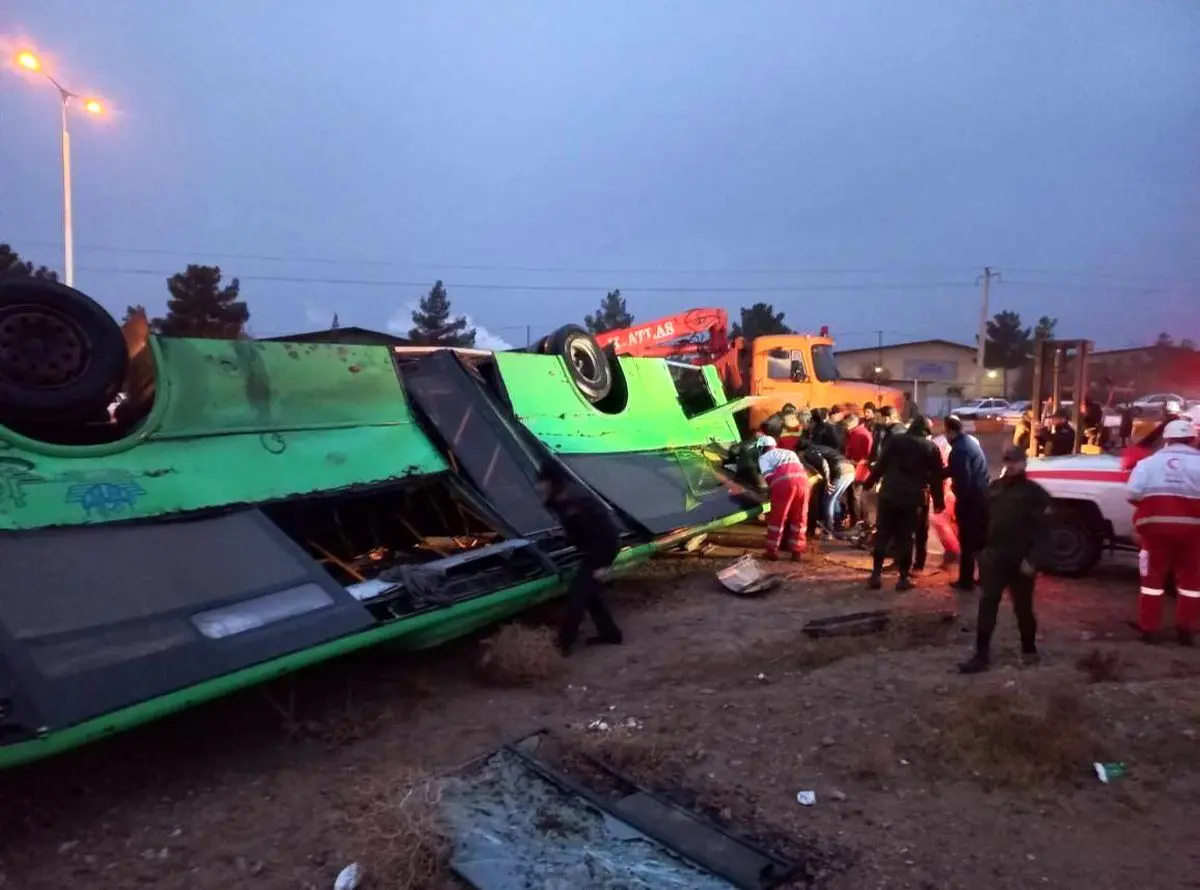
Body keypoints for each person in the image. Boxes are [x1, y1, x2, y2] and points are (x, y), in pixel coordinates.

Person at [958, 446, 1051, 673]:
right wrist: (979, 550)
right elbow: (981, 522)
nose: (1011, 466)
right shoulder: (994, 489)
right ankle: (981, 655)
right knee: (987, 605)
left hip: (1021, 561)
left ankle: (1029, 650)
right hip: (994, 558)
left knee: (1023, 608)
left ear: (1024, 464)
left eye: (1016, 462)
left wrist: (1033, 560)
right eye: (1008, 462)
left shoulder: (1035, 494)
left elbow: (1045, 532)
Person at [1126, 419, 1200, 646]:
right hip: (1193, 534)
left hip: (1154, 532)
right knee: (1191, 584)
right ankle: (1186, 630)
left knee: (1152, 582)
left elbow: (1133, 494)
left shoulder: (1148, 464)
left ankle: (1150, 630)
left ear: (1166, 439)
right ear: (1192, 439)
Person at [535, 463, 623, 655]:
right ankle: (610, 633)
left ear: (551, 482)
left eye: (540, 482)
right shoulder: (562, 501)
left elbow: (606, 533)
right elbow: (578, 532)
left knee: (577, 594)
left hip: (600, 551)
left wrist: (604, 563)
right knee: (590, 595)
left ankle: (563, 643)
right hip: (595, 550)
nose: (537, 487)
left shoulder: (576, 503)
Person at [862, 416, 945, 591]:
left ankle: (876, 575)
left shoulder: (895, 441)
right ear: (926, 432)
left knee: (883, 534)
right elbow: (936, 479)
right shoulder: (931, 447)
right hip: (913, 499)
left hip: (889, 494)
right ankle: (903, 578)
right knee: (906, 538)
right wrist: (938, 502)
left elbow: (881, 465)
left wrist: (868, 483)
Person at [943, 415, 990, 591]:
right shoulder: (969, 442)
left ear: (951, 431)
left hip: (971, 501)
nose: (945, 436)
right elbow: (958, 469)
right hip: (983, 497)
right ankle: (985, 577)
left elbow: (964, 478)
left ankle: (965, 581)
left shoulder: (960, 449)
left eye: (946, 432)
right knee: (980, 542)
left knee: (968, 542)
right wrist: (942, 472)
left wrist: (959, 501)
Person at [755, 436, 810, 560]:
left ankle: (772, 551)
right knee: (800, 516)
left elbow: (769, 478)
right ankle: (797, 551)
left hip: (784, 482)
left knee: (778, 517)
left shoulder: (763, 457)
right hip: (803, 481)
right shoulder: (789, 452)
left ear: (762, 448)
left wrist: (770, 493)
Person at [843, 414, 873, 525]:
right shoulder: (853, 433)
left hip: (861, 471)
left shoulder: (863, 434)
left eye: (846, 425)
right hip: (854, 468)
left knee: (857, 496)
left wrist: (856, 462)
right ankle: (856, 520)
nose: (845, 427)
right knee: (852, 495)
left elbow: (869, 455)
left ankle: (862, 521)